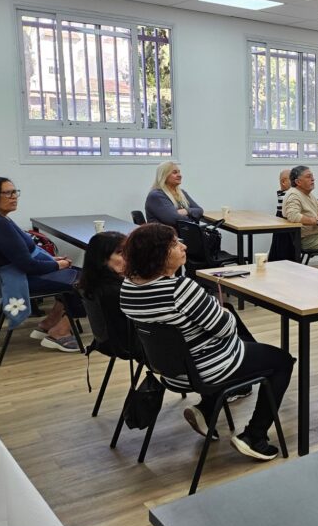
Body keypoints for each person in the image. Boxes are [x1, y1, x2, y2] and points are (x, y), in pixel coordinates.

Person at [119, 223, 295, 461]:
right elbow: (225, 327)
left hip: (169, 371)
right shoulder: (178, 289)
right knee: (282, 361)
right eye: (174, 244)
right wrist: (221, 311)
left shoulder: (128, 287)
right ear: (157, 254)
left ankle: (206, 409)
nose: (183, 247)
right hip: (207, 369)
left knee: (241, 337)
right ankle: (255, 436)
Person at [0, 177, 82, 352]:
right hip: (20, 279)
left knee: (82, 275)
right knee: (87, 282)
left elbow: (21, 255)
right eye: (7, 193)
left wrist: (52, 261)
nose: (14, 197)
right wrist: (57, 265)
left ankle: (49, 323)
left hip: (16, 274)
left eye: (15, 192)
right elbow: (28, 265)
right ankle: (59, 333)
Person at [76, 231, 139, 360]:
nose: (128, 257)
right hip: (127, 345)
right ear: (103, 259)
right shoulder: (115, 290)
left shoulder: (91, 282)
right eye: (120, 253)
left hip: (106, 342)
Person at [145, 161, 203, 226]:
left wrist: (186, 211)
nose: (179, 175)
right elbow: (174, 219)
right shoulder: (156, 195)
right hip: (164, 232)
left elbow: (199, 210)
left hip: (184, 230)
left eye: (179, 172)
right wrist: (193, 218)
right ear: (164, 175)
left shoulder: (182, 193)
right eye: (174, 172)